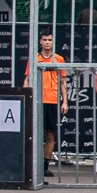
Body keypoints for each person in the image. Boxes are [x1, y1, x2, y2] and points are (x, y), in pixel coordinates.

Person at [28, 32, 65, 160]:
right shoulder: (34, 59)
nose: (47, 42)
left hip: (53, 100)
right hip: (37, 101)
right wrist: (27, 99)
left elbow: (62, 82)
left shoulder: (59, 59)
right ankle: (33, 165)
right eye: (45, 40)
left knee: (50, 135)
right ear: (40, 42)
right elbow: (27, 80)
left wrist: (65, 102)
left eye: (50, 40)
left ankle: (45, 166)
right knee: (34, 135)